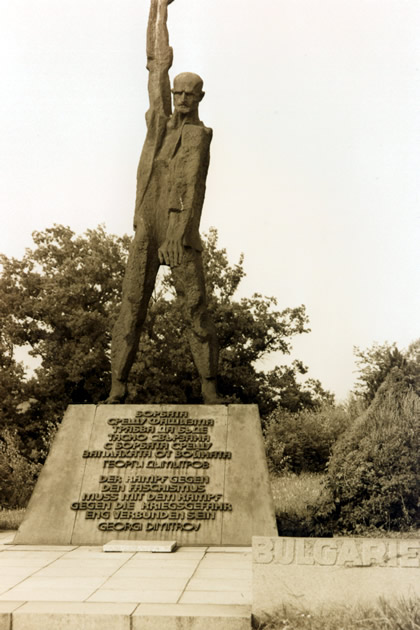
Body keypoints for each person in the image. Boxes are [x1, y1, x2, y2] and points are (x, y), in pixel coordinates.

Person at [107, 0, 221, 404]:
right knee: (132, 305)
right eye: (179, 92)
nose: (183, 98)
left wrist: (177, 233)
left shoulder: (198, 136)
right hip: (147, 227)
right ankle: (117, 385)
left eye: (191, 94)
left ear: (201, 96)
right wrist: (158, 8)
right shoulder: (158, 122)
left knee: (194, 306)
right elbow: (157, 63)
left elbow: (192, 187)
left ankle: (210, 388)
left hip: (177, 231)